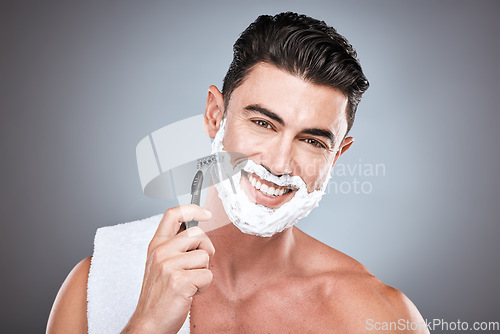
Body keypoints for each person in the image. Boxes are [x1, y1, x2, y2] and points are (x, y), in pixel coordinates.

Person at [47, 12, 429, 333]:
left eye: (312, 141)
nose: (279, 164)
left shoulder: (378, 316)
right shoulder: (96, 283)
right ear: (216, 114)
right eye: (263, 123)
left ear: (337, 156)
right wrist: (146, 324)